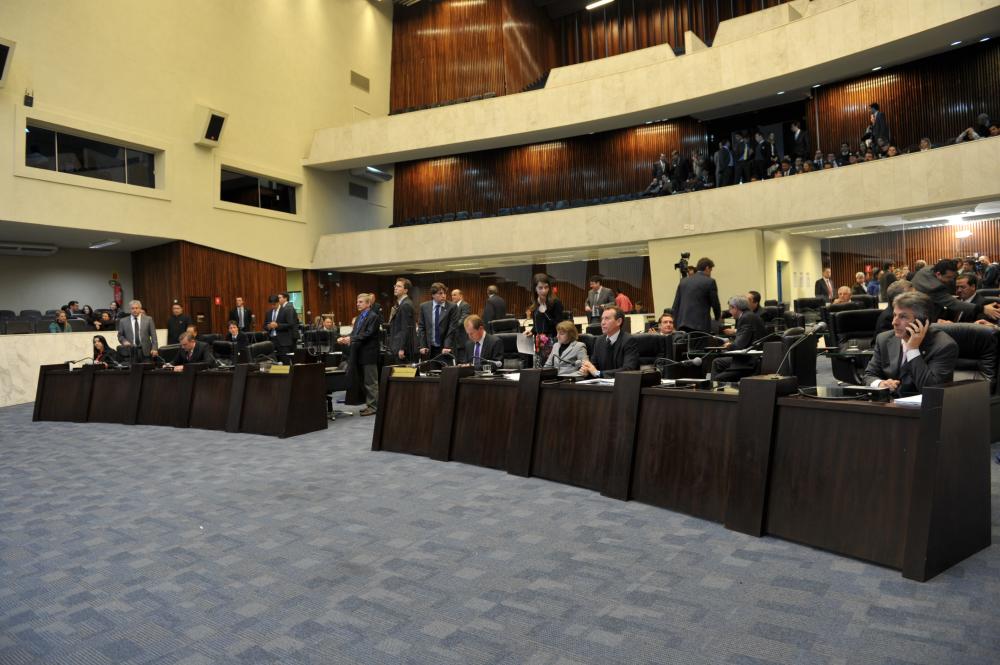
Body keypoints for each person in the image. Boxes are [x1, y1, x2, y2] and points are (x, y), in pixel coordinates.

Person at [863, 292, 957, 397]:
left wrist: (912, 350)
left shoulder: (944, 346)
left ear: (921, 321)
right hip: (889, 403)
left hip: (922, 406)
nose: (894, 322)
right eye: (894, 315)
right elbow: (869, 375)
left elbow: (932, 390)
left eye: (903, 317)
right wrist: (880, 383)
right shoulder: (884, 339)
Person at [912, 259, 1000, 323]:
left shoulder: (927, 270)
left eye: (952, 277)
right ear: (938, 274)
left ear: (973, 287)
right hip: (921, 315)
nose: (951, 280)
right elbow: (953, 303)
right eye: (948, 277)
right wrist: (983, 309)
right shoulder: (935, 287)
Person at [338, 293, 381, 416]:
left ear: (368, 303)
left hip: (369, 354)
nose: (358, 304)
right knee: (363, 381)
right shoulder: (359, 317)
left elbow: (368, 334)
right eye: (357, 302)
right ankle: (370, 405)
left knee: (371, 382)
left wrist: (351, 339)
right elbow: (355, 333)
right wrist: (345, 338)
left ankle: (374, 407)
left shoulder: (373, 316)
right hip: (359, 353)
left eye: (361, 302)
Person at [711, 295, 767, 383]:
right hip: (747, 358)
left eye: (730, 309)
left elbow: (739, 345)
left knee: (719, 378)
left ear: (735, 308)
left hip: (749, 362)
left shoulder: (746, 318)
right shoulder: (748, 315)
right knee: (717, 362)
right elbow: (745, 338)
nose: (730, 312)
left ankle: (715, 389)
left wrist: (729, 345)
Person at [671, 257, 721, 342]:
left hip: (682, 325)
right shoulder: (710, 281)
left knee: (686, 348)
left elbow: (676, 304)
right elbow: (715, 303)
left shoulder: (683, 281)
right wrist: (717, 318)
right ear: (707, 268)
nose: (710, 273)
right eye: (711, 270)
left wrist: (675, 323)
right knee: (699, 349)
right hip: (700, 326)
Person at [580, 306, 639, 378]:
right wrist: (587, 371)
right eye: (602, 319)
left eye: (607, 319)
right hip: (601, 383)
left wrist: (599, 373)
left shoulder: (629, 341)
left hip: (622, 383)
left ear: (618, 322)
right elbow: (593, 366)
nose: (602, 323)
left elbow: (628, 369)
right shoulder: (599, 341)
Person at [527, 273, 563, 364]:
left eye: (546, 287)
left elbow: (559, 324)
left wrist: (545, 312)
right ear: (535, 289)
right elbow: (536, 325)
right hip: (539, 341)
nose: (544, 290)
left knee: (550, 366)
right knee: (540, 366)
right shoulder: (535, 304)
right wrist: (532, 331)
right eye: (540, 288)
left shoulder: (556, 302)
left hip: (552, 340)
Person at [417, 282, 456, 361]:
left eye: (444, 293)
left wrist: (447, 346)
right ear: (433, 295)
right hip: (430, 349)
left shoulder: (452, 307)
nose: (443, 296)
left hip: (445, 348)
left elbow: (452, 328)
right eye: (440, 293)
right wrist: (423, 345)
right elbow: (421, 327)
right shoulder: (424, 307)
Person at [388, 278, 417, 362]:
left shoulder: (406, 305)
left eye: (399, 286)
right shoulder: (401, 303)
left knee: (402, 370)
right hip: (398, 346)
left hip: (403, 349)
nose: (395, 288)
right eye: (395, 286)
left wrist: (402, 348)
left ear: (405, 290)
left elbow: (405, 328)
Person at [266, 292, 299, 359]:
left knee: (285, 360)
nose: (273, 306)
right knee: (274, 361)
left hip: (283, 341)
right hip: (272, 340)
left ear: (278, 302)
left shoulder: (286, 310)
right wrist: (268, 326)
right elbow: (264, 325)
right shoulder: (268, 312)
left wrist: (277, 325)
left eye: (274, 304)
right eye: (271, 304)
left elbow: (290, 324)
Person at [450, 289, 472, 363]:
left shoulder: (465, 305)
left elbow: (463, 319)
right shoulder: (452, 306)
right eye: (452, 295)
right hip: (454, 339)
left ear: (461, 296)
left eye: (454, 295)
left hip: (461, 337)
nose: (452, 297)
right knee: (455, 360)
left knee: (462, 360)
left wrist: (452, 327)